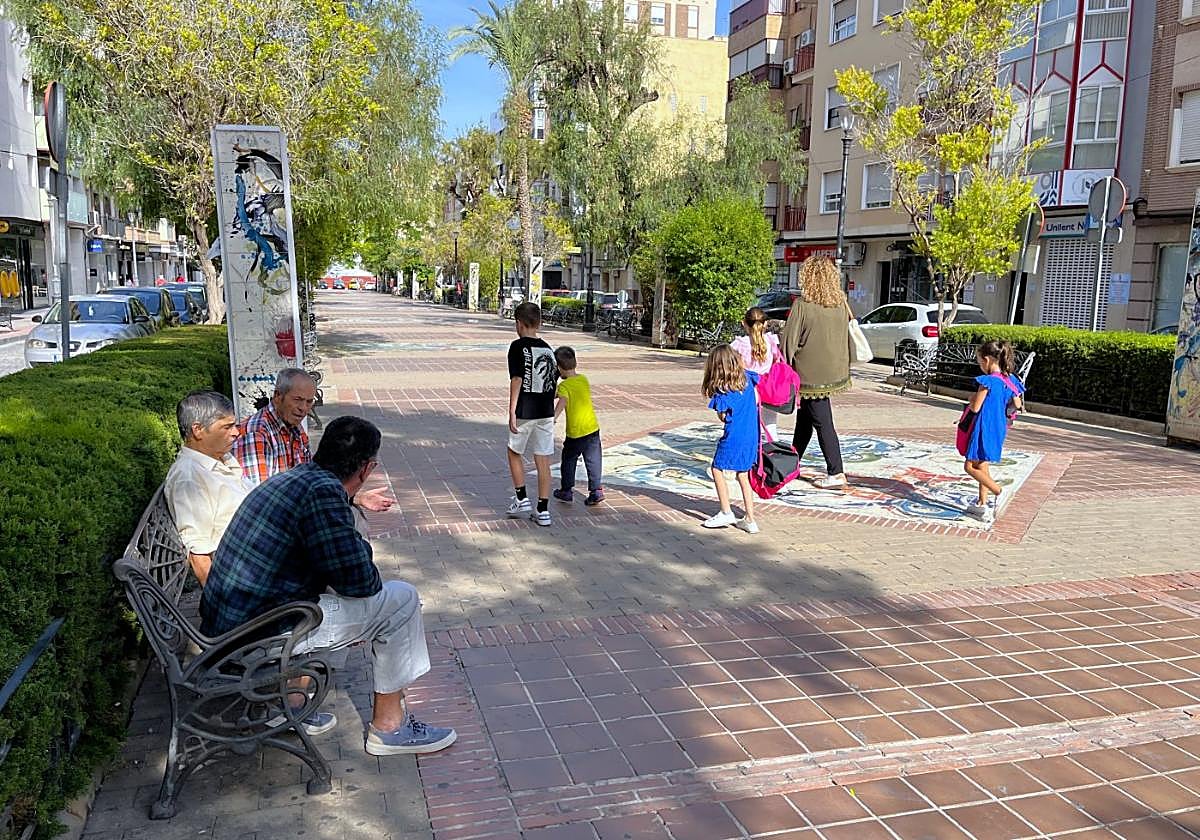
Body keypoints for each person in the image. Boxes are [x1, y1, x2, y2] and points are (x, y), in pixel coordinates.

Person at [201, 416, 457, 755]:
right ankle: (390, 729)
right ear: (367, 469)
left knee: (333, 594)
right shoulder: (323, 495)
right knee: (401, 601)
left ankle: (290, 706)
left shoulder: (298, 478)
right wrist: (357, 538)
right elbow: (361, 582)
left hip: (230, 624)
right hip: (253, 636)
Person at [234, 368, 394, 511]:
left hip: (292, 508)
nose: (303, 408)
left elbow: (312, 476)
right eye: (297, 400)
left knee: (350, 514)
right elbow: (261, 500)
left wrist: (354, 498)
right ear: (277, 396)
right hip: (273, 520)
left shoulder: (294, 425)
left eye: (309, 402)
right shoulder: (256, 435)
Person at [163, 391, 252, 586]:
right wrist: (223, 606)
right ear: (198, 430)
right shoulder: (189, 478)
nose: (236, 432)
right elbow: (199, 554)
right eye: (227, 427)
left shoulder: (220, 458)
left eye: (234, 425)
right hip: (248, 576)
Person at [781, 256, 851, 490]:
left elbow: (788, 343)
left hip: (808, 373)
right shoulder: (841, 303)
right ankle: (792, 464)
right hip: (834, 370)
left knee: (822, 422)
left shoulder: (803, 305)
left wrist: (782, 367)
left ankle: (836, 471)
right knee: (805, 420)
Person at [962, 340, 1025, 523]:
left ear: (988, 360)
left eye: (980, 361)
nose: (980, 366)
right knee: (982, 464)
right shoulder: (1010, 380)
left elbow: (975, 407)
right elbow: (1017, 404)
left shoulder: (987, 381)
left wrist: (971, 397)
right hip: (999, 427)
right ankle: (982, 503)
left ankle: (999, 492)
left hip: (984, 426)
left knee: (970, 466)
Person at [506, 302, 557, 526]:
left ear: (518, 323)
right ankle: (543, 510)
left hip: (525, 409)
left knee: (514, 451)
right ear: (539, 323)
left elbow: (517, 379)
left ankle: (521, 497)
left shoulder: (517, 347)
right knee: (543, 458)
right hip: (545, 410)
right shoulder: (548, 349)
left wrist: (511, 410)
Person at [701, 344, 760, 534]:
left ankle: (726, 510)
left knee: (717, 468)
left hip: (733, 437)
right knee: (743, 474)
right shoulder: (749, 380)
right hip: (751, 436)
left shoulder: (724, 390)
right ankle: (750, 519)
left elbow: (725, 416)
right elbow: (757, 401)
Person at [552, 346, 604, 506]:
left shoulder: (564, 386)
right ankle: (596, 491)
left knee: (568, 459)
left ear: (559, 368)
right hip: (592, 428)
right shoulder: (583, 379)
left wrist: (553, 417)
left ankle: (566, 490)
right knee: (593, 459)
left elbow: (562, 400)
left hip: (576, 432)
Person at [730, 306, 781, 440]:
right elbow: (777, 359)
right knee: (770, 426)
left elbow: (728, 361)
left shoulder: (739, 344)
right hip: (769, 389)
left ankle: (751, 453)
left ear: (744, 324)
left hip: (747, 389)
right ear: (765, 324)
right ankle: (772, 453)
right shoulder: (771, 341)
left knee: (748, 424)